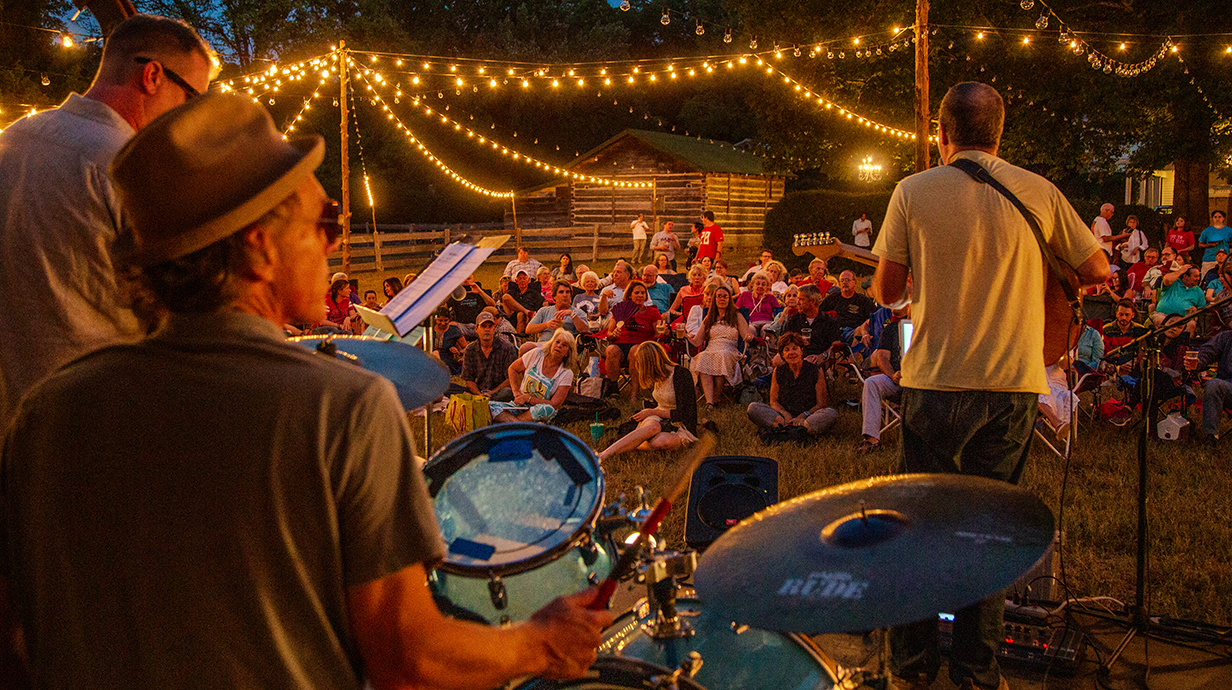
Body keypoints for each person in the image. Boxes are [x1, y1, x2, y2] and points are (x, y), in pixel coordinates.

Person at [0, 93, 609, 689]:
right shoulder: (341, 410)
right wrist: (540, 641)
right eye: (324, 221)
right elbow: (407, 660)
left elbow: (15, 639)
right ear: (259, 246)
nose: (334, 242)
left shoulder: (48, 413)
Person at [871, 82, 1107, 690]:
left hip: (935, 382)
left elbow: (888, 291)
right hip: (1012, 386)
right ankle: (978, 670)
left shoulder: (912, 190)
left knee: (919, 528)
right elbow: (1097, 268)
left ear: (941, 133)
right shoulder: (1039, 191)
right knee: (987, 530)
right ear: (999, 134)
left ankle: (912, 667)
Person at [0, 14, 218, 429]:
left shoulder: (11, 140)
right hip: (97, 423)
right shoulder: (134, 168)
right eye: (191, 98)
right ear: (152, 76)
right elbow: (185, 319)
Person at [597, 342, 697, 462]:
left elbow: (685, 413)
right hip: (656, 418)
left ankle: (628, 444)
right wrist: (649, 412)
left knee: (660, 442)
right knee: (652, 427)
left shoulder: (681, 375)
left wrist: (651, 412)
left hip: (680, 424)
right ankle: (605, 454)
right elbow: (658, 402)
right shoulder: (657, 376)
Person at [747, 332, 838, 434]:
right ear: (782, 354)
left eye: (795, 348)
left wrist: (803, 415)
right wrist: (785, 414)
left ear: (801, 351)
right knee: (753, 408)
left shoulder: (815, 370)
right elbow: (773, 402)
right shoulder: (778, 371)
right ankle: (791, 428)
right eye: (787, 350)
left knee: (831, 413)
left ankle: (795, 428)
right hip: (783, 416)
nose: (791, 353)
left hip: (808, 416)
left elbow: (821, 404)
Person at [491, 329, 577, 423]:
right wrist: (516, 393)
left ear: (567, 353)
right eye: (557, 342)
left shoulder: (566, 373)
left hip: (538, 409)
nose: (559, 346)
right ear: (551, 344)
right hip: (520, 405)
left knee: (547, 409)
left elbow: (554, 404)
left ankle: (509, 421)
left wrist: (529, 399)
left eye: (564, 345)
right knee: (490, 406)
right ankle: (519, 423)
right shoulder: (536, 354)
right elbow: (513, 369)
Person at [689, 285, 754, 407]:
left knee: (721, 356)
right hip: (711, 349)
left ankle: (716, 396)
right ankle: (710, 402)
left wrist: (749, 337)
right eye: (719, 296)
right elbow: (697, 341)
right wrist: (683, 335)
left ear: (729, 299)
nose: (722, 299)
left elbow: (747, 334)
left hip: (729, 350)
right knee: (703, 357)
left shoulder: (736, 316)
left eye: (725, 296)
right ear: (715, 299)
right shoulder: (709, 318)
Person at [857, 304, 909, 453]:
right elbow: (882, 358)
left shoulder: (924, 328)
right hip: (897, 379)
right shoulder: (891, 329)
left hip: (921, 381)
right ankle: (871, 439)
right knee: (872, 383)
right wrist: (892, 375)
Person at [603, 281, 662, 398]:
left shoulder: (652, 312)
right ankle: (613, 389)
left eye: (643, 293)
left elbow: (659, 333)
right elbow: (609, 333)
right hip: (621, 344)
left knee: (635, 350)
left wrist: (663, 331)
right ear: (629, 295)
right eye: (637, 293)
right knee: (610, 350)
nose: (640, 295)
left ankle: (634, 393)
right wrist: (613, 334)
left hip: (643, 346)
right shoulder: (621, 310)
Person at [1184, 328, 1232, 447]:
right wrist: (1198, 362)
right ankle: (1211, 436)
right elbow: (1207, 351)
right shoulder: (1226, 337)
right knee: (1214, 385)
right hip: (1228, 385)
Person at [461, 309, 520, 399]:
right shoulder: (470, 349)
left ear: (494, 328)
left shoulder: (507, 347)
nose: (487, 329)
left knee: (508, 392)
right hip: (478, 391)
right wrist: (479, 395)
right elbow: (468, 380)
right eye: (483, 326)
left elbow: (510, 378)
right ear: (476, 329)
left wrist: (492, 393)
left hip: (499, 392)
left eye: (490, 326)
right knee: (450, 387)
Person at [782, 283, 841, 366]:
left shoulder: (828, 321)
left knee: (809, 364)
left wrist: (823, 356)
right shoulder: (794, 320)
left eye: (801, 299)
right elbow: (784, 342)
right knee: (777, 360)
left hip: (819, 357)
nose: (797, 302)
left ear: (812, 301)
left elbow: (836, 344)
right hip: (796, 356)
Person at [819, 270, 876, 341]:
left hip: (853, 332)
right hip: (833, 332)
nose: (844, 282)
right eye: (842, 280)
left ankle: (854, 348)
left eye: (847, 280)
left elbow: (873, 318)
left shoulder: (863, 301)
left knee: (859, 333)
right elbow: (818, 312)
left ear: (855, 282)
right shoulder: (831, 299)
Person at [1152, 263, 1204, 333]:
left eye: (1198, 276)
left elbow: (1202, 309)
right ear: (1185, 276)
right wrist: (1180, 271)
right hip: (1163, 315)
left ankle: (1184, 341)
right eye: (1195, 276)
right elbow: (1166, 279)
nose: (1198, 279)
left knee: (1191, 325)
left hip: (1184, 319)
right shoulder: (1173, 282)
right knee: (1159, 320)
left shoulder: (1199, 291)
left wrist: (1195, 311)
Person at [501, 268, 545, 333]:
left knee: (521, 314)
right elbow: (505, 298)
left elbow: (543, 302)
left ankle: (519, 337)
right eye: (520, 278)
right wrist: (525, 311)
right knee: (505, 297)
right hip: (514, 316)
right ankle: (526, 311)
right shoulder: (513, 291)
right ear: (516, 281)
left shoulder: (533, 292)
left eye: (524, 278)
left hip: (530, 318)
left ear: (528, 280)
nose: (522, 281)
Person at [431, 306, 467, 375]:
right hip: (430, 357)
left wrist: (458, 352)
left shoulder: (454, 330)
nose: (443, 323)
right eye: (440, 320)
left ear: (449, 320)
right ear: (436, 319)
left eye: (446, 320)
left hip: (447, 359)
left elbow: (466, 347)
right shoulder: (430, 329)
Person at [1198, 210, 1232, 277]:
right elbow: (1200, 244)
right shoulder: (1207, 231)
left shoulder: (1229, 231)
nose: (1217, 219)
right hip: (1209, 259)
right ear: (1212, 219)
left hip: (1225, 260)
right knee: (1206, 278)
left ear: (1223, 218)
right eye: (1215, 217)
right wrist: (1209, 245)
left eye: (1219, 217)